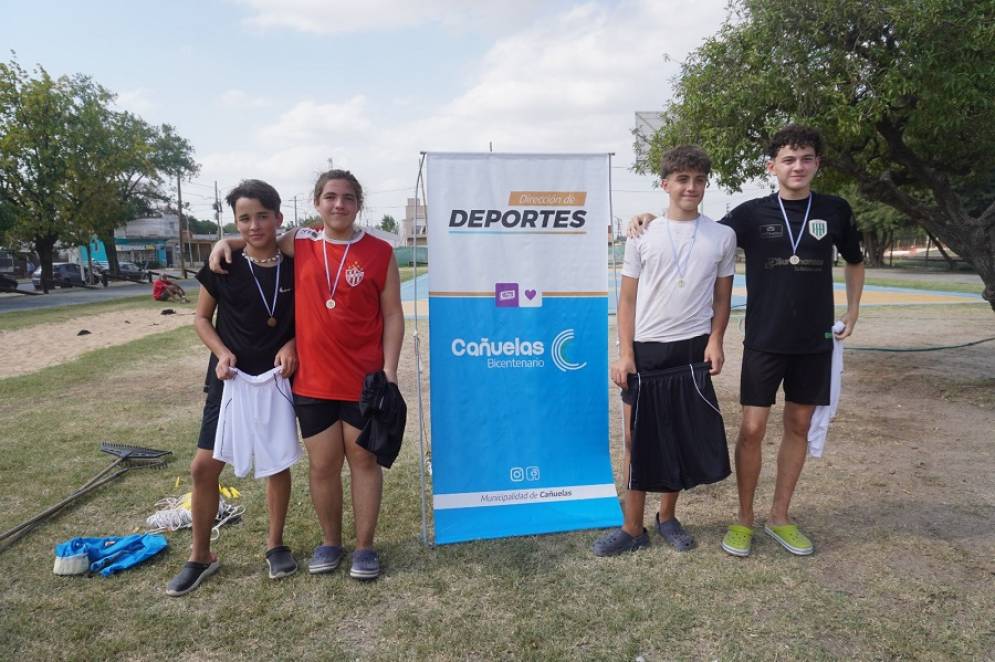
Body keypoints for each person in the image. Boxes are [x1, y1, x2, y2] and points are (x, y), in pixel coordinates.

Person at [629, 125, 865, 557]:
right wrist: (647, 216)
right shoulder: (749, 214)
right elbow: (690, 228)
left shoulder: (835, 209)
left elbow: (855, 261)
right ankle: (743, 519)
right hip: (764, 341)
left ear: (818, 164)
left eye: (807, 158)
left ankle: (780, 516)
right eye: (789, 159)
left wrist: (852, 309)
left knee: (797, 425)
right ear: (771, 166)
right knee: (752, 428)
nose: (798, 167)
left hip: (814, 342)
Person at [210, 169, 404, 580]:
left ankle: (365, 547)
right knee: (323, 466)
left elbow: (392, 315)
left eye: (348, 197)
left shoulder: (379, 252)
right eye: (330, 196)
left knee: (364, 460)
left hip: (362, 379)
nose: (339, 204)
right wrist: (221, 242)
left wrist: (389, 371)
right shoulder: (301, 241)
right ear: (316, 203)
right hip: (313, 380)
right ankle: (331, 541)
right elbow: (255, 240)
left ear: (358, 204)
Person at [594, 146, 736, 557]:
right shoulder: (642, 233)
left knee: (678, 436)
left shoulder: (722, 236)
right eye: (682, 179)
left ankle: (668, 517)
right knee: (635, 439)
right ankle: (632, 527)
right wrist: (625, 353)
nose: (691, 188)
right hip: (646, 350)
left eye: (699, 180)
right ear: (666, 184)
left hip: (692, 348)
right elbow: (626, 301)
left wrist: (716, 340)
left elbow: (722, 299)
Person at [166, 179, 299, 597]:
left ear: (278, 217)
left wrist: (293, 343)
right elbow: (202, 319)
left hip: (279, 377)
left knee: (277, 463)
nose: (254, 225)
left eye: (263, 216)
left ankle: (275, 545)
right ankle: (200, 556)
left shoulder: (298, 262)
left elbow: (312, 316)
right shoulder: (222, 265)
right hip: (229, 378)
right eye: (244, 219)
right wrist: (221, 352)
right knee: (203, 467)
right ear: (235, 222)